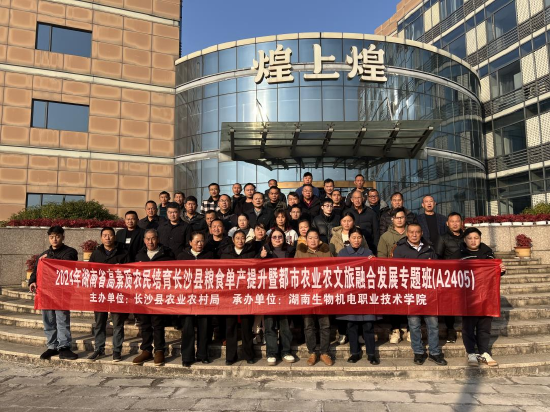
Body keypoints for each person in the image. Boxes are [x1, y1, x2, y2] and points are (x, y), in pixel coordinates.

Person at [393, 224, 447, 366]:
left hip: (429, 292)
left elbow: (438, 269)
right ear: (407, 233)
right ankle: (418, 352)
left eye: (417, 232)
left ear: (421, 233)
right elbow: (395, 270)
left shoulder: (429, 248)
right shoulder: (400, 249)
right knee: (414, 324)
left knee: (433, 324)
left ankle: (434, 352)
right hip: (410, 292)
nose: (414, 235)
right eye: (411, 232)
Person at [452, 227, 506, 367]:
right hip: (468, 297)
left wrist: (501, 270)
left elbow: (494, 273)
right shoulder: (459, 255)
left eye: (476, 238)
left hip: (486, 296)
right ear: (465, 240)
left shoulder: (488, 254)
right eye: (470, 238)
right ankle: (471, 352)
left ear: (480, 239)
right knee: (468, 326)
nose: (473, 241)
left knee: (484, 326)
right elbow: (451, 273)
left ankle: (484, 351)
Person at [28, 226, 79, 360]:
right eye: (51, 237)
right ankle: (52, 346)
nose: (54, 239)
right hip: (45, 291)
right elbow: (36, 271)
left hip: (62, 292)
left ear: (63, 237)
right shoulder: (43, 254)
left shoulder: (70, 252)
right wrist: (32, 281)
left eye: (57, 236)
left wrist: (47, 259)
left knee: (62, 319)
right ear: (48, 238)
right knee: (48, 320)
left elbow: (66, 265)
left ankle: (64, 347)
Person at [336, 227, 380, 365]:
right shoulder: (342, 253)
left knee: (368, 325)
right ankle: (354, 353)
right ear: (349, 238)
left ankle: (371, 354)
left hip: (365, 294)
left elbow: (375, 273)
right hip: (350, 294)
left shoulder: (368, 253)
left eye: (359, 238)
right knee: (352, 325)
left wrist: (374, 262)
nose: (356, 240)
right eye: (354, 237)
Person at [87, 227, 130, 362]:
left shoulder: (123, 253)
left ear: (114, 237)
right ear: (101, 238)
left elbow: (130, 272)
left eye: (110, 235)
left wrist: (120, 269)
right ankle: (99, 348)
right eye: (105, 235)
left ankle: (117, 350)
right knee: (100, 323)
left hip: (117, 293)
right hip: (100, 292)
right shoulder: (96, 254)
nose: (107, 238)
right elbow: (89, 271)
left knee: (118, 323)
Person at [133, 229, 175, 366]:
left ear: (158, 239)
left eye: (153, 238)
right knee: (144, 324)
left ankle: (159, 350)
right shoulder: (140, 255)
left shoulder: (166, 254)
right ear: (144, 240)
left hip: (159, 295)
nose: (150, 242)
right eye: (148, 239)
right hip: (143, 295)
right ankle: (146, 350)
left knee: (157, 324)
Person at [295, 228, 333, 366]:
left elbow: (334, 269)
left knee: (325, 324)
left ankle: (324, 352)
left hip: (323, 293)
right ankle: (312, 352)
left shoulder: (326, 251)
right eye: (310, 238)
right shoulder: (300, 252)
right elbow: (295, 270)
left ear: (319, 239)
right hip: (307, 294)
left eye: (315, 237)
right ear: (306, 240)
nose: (313, 240)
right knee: (308, 325)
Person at [177, 231, 214, 366]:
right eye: (197, 241)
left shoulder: (209, 256)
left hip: (204, 297)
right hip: (187, 298)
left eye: (202, 241)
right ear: (190, 243)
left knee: (204, 327)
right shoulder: (182, 257)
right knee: (187, 328)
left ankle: (203, 354)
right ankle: (187, 356)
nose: (200, 244)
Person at [220, 230, 257, 365]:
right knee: (230, 326)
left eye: (242, 238)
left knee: (247, 326)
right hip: (230, 295)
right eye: (237, 238)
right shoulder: (226, 254)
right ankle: (231, 356)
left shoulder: (251, 253)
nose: (240, 240)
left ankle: (249, 355)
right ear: (233, 240)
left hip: (246, 294)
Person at [259, 228, 296, 365]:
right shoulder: (264, 250)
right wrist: (261, 258)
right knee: (270, 325)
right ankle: (272, 353)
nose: (277, 239)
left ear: (284, 238)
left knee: (285, 324)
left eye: (280, 236)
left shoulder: (291, 251)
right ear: (270, 239)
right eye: (274, 237)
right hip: (269, 293)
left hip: (285, 292)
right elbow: (256, 269)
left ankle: (286, 351)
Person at [377, 207, 409, 344]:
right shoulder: (385, 236)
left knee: (409, 301)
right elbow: (381, 256)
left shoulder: (412, 233)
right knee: (395, 302)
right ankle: (395, 329)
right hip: (393, 274)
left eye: (402, 217)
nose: (399, 220)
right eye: (397, 218)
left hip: (409, 274)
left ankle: (410, 329)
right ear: (392, 219)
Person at [435, 212, 465, 344]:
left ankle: (468, 329)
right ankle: (450, 329)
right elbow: (438, 257)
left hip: (465, 276)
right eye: (452, 221)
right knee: (449, 303)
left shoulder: (467, 237)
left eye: (457, 221)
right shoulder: (442, 238)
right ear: (447, 223)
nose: (455, 223)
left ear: (461, 222)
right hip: (449, 276)